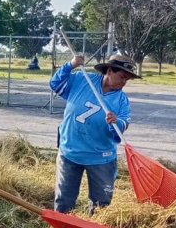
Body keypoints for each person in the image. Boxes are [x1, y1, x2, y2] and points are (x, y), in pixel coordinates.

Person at [49, 53, 137, 214]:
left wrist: (116, 121)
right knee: (63, 200)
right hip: (70, 151)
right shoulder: (82, 80)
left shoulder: (121, 100)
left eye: (127, 80)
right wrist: (70, 65)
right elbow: (56, 83)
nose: (124, 82)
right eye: (122, 77)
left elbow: (124, 122)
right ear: (109, 70)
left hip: (101, 157)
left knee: (101, 205)